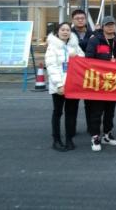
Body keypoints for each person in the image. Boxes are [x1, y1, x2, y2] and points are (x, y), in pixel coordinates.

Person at [85, 16, 116, 152]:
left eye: (112, 24)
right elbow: (88, 59)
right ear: (102, 27)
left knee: (110, 111)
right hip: (99, 82)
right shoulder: (95, 40)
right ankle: (95, 137)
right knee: (97, 111)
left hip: (113, 82)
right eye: (107, 25)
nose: (110, 27)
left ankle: (107, 134)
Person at [45, 22, 85, 151]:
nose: (65, 32)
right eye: (62, 30)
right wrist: (59, 84)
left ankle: (69, 139)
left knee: (71, 113)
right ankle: (56, 140)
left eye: (67, 30)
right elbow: (51, 67)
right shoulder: (52, 47)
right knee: (57, 112)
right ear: (57, 32)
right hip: (59, 86)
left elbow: (83, 60)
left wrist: (76, 56)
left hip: (73, 85)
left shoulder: (74, 45)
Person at [71, 9, 95, 134]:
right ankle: (71, 128)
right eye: (77, 18)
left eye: (82, 18)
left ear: (86, 20)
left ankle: (91, 128)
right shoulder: (68, 33)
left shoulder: (93, 33)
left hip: (89, 73)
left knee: (90, 103)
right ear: (73, 20)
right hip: (73, 73)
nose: (80, 20)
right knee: (72, 103)